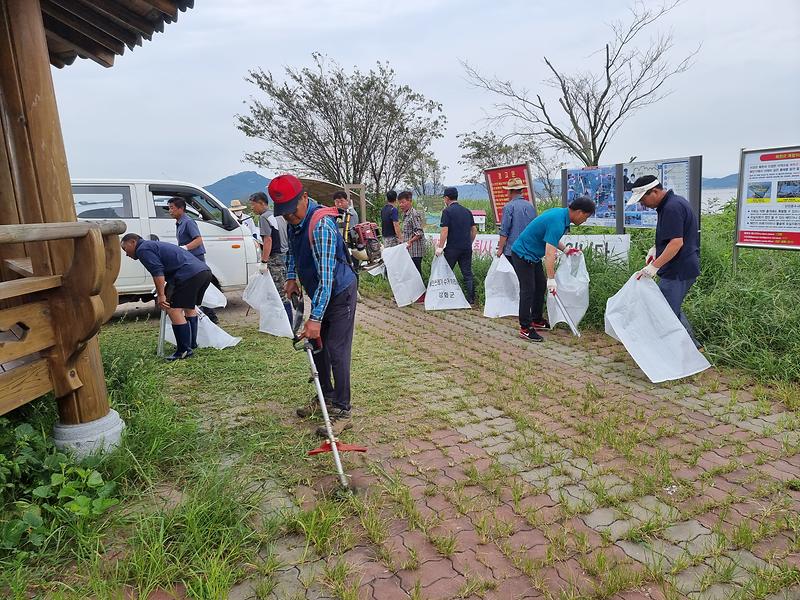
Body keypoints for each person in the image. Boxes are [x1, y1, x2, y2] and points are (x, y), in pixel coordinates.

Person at [269, 174, 358, 437]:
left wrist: (315, 318)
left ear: (304, 198)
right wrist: (291, 277)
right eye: (283, 213)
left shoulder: (321, 227)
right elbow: (293, 251)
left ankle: (343, 411)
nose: (289, 217)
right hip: (321, 290)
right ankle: (326, 397)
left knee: (336, 350)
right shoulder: (293, 221)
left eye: (292, 211)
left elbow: (327, 278)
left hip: (340, 292)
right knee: (318, 347)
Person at [629, 175, 702, 348]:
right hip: (679, 267)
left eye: (643, 199)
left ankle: (685, 349)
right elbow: (672, 236)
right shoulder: (671, 204)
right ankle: (692, 347)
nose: (642, 204)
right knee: (669, 307)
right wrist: (656, 249)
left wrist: (653, 267)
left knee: (665, 310)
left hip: (678, 269)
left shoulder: (671, 207)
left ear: (654, 191)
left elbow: (676, 243)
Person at [510, 197, 596, 342]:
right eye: (586, 217)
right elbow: (550, 253)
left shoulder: (561, 214)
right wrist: (552, 278)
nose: (585, 221)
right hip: (522, 254)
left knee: (540, 286)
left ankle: (536, 319)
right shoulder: (557, 221)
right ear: (580, 212)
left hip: (533, 256)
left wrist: (566, 249)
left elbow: (551, 238)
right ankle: (525, 327)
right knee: (528, 290)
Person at [120, 233, 211, 360]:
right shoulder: (152, 245)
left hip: (187, 275)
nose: (126, 254)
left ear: (133, 242)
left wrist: (161, 296)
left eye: (125, 249)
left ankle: (184, 350)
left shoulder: (143, 249)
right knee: (189, 308)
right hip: (203, 272)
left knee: (173, 309)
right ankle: (190, 344)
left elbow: (157, 272)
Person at [167, 196, 218, 324]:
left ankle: (211, 316)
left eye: (172, 208)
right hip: (190, 259)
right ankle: (206, 315)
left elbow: (198, 240)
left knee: (201, 288)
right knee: (198, 288)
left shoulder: (188, 222)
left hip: (196, 258)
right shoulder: (179, 223)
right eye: (169, 208)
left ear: (181, 209)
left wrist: (185, 248)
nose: (170, 211)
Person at [249, 191, 292, 323]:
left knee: (279, 292)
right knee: (285, 288)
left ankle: (288, 323)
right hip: (285, 255)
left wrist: (264, 261)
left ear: (262, 203)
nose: (252, 208)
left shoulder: (264, 217)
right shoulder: (277, 215)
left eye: (253, 205)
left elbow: (268, 240)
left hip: (275, 258)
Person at [435, 186, 477, 304]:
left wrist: (440, 247)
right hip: (466, 248)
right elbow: (474, 230)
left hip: (452, 248)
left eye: (444, 198)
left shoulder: (447, 211)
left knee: (446, 272)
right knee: (467, 274)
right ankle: (471, 299)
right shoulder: (467, 211)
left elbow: (444, 231)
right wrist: (469, 242)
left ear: (447, 198)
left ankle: (444, 297)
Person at [496, 178, 536, 259]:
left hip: (513, 249)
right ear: (521, 191)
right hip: (529, 249)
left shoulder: (509, 207)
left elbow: (504, 230)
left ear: (511, 191)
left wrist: (500, 249)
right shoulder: (530, 206)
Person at [398, 190, 426, 275]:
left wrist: (410, 241)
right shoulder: (405, 214)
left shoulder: (413, 214)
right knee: (410, 274)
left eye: (403, 202)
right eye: (399, 203)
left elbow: (419, 232)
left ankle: (421, 288)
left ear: (410, 201)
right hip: (409, 251)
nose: (401, 205)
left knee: (416, 274)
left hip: (415, 251)